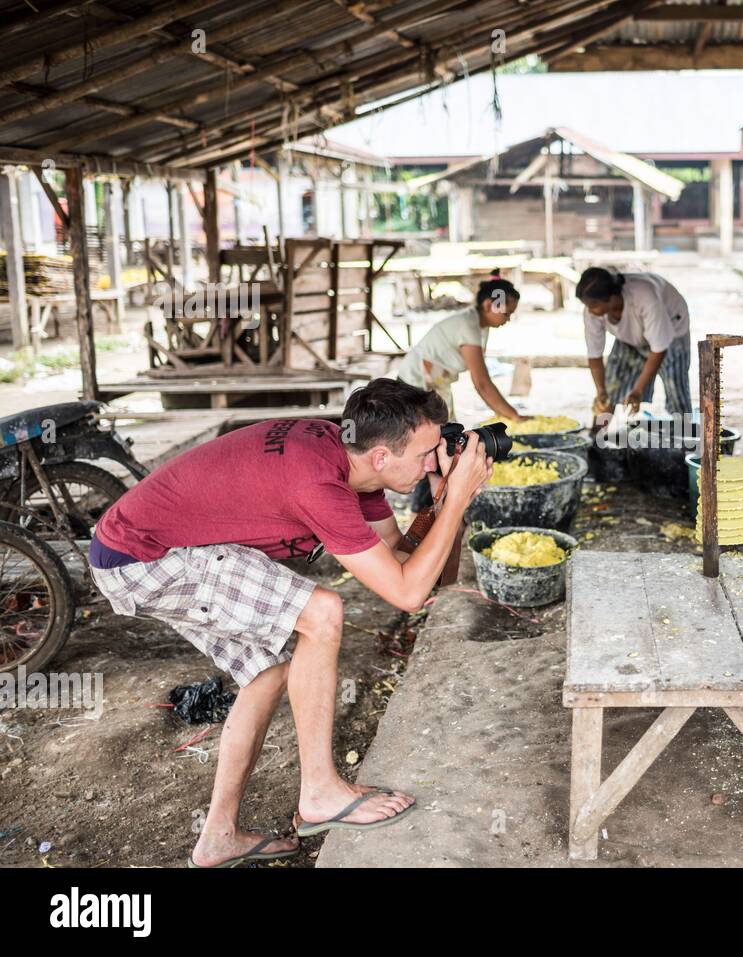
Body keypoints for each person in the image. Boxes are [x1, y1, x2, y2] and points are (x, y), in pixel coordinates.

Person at [89, 379, 493, 867]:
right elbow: (406, 595)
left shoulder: (354, 464)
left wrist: (445, 498)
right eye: (429, 453)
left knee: (270, 671)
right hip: (142, 557)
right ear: (383, 455)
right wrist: (455, 503)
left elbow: (414, 567)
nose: (436, 459)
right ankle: (320, 792)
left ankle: (218, 836)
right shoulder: (318, 483)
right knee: (322, 613)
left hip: (155, 547)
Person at [397, 271, 520, 509]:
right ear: (488, 304)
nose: (507, 319)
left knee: (446, 442)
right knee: (433, 446)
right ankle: (425, 509)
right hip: (416, 388)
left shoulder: (477, 324)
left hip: (434, 386)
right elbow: (482, 383)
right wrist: (514, 416)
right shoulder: (468, 325)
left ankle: (439, 503)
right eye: (506, 312)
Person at [579, 267, 692, 416]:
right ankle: (599, 434)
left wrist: (637, 391)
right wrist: (601, 391)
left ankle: (683, 432)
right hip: (632, 336)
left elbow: (659, 349)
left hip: (672, 332)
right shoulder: (592, 311)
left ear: (611, 298)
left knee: (676, 390)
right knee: (612, 389)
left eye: (593, 306)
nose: (589, 310)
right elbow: (594, 354)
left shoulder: (645, 297)